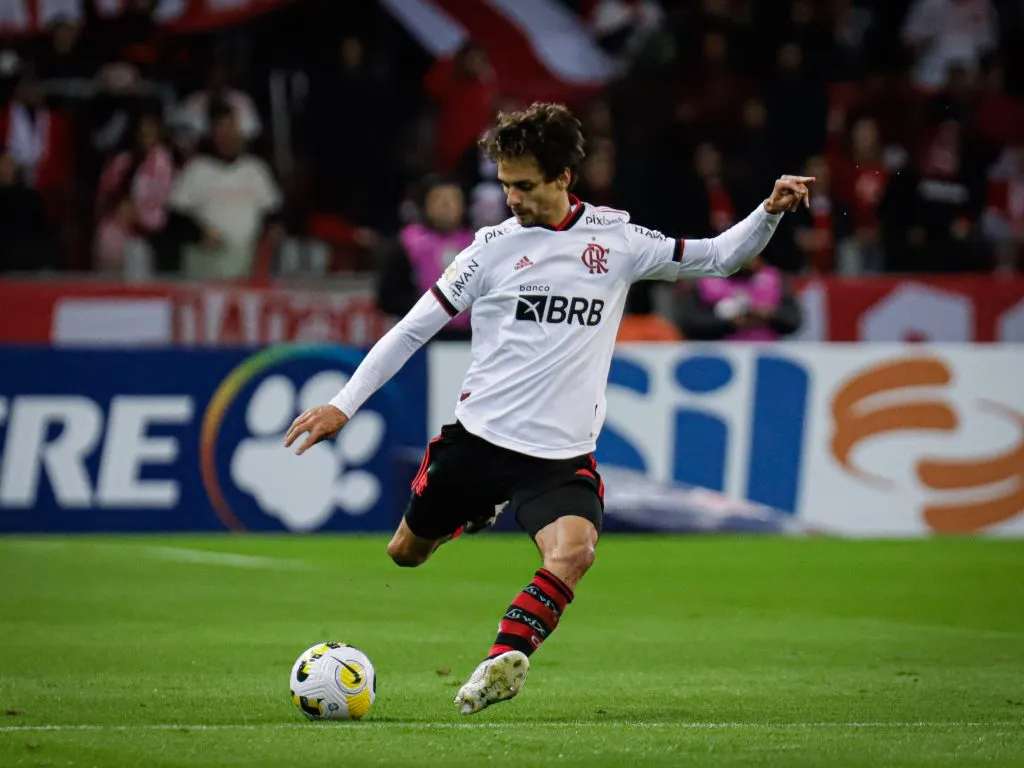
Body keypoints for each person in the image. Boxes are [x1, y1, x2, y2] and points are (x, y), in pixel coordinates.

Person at [283, 103, 812, 715]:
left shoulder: (617, 241)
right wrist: (343, 405)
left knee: (574, 553)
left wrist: (767, 212)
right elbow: (410, 330)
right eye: (506, 184)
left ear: (564, 178)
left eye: (525, 185)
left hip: (560, 457)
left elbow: (717, 256)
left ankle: (498, 663)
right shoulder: (489, 250)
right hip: (478, 444)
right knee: (406, 553)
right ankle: (472, 514)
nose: (511, 198)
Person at [376, 176, 475, 341]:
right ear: (426, 205)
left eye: (453, 199)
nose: (446, 205)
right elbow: (387, 297)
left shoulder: (477, 243)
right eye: (439, 199)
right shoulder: (407, 242)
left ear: (463, 206)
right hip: (420, 340)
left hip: (469, 339)